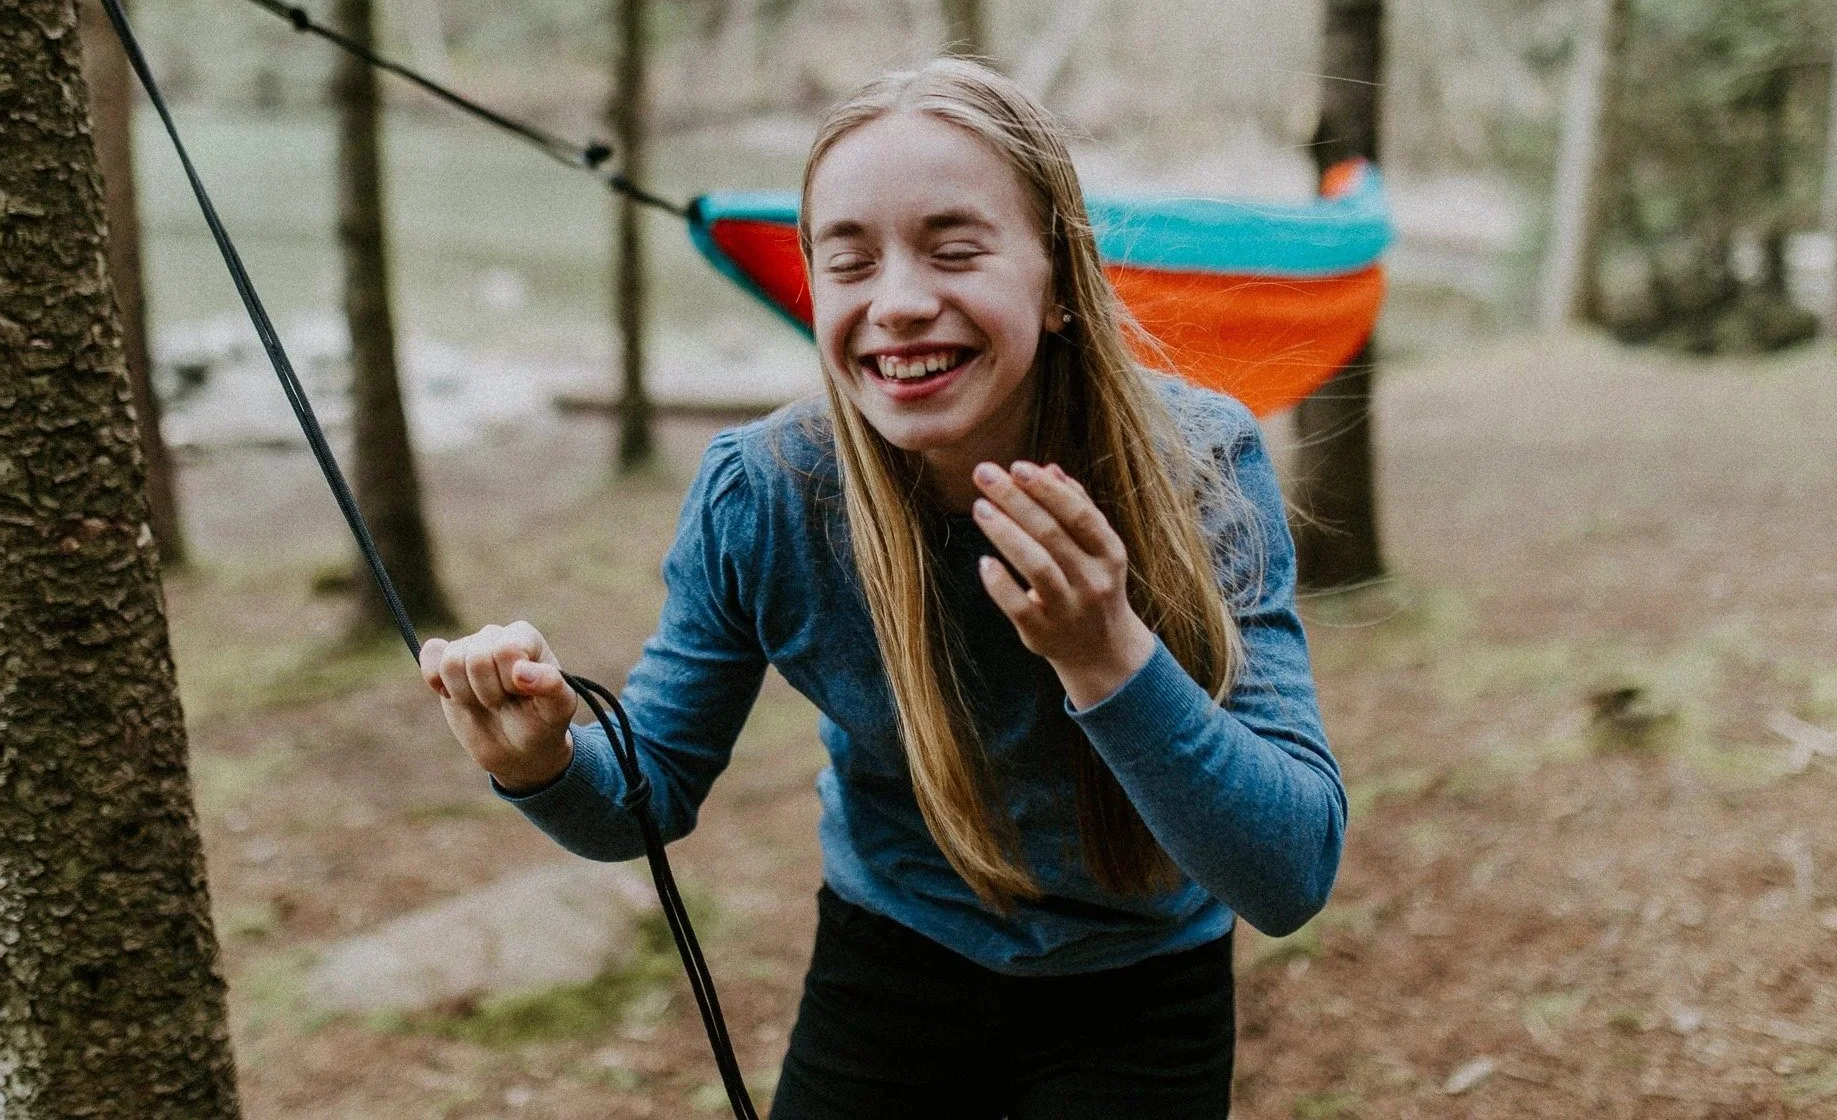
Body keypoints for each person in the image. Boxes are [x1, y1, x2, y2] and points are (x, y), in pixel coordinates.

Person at [421, 58, 1346, 1119]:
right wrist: (543, 766)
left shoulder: (1200, 466)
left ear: (1057, 282)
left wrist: (1107, 653)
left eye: (955, 251)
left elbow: (1289, 876)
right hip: (892, 961)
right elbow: (647, 793)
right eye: (849, 264)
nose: (899, 304)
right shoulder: (765, 495)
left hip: (1142, 987)